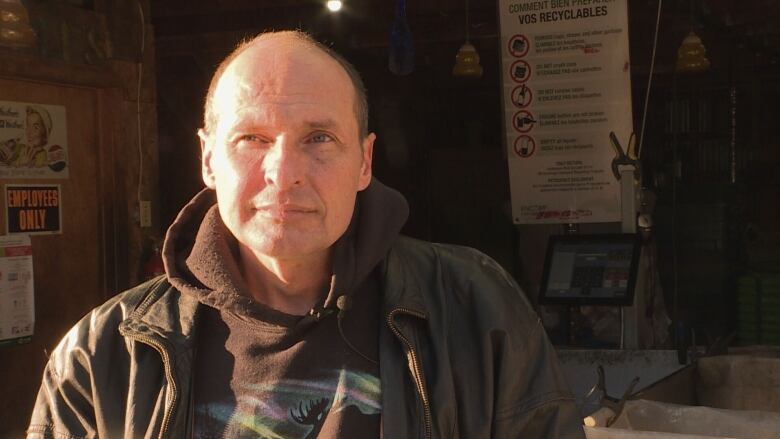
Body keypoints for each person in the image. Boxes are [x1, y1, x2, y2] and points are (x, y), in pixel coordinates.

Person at [27, 31, 585, 438]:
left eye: (318, 138)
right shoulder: (103, 355)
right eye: (251, 138)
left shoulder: (475, 310)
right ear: (207, 159)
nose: (283, 171)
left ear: (365, 162)